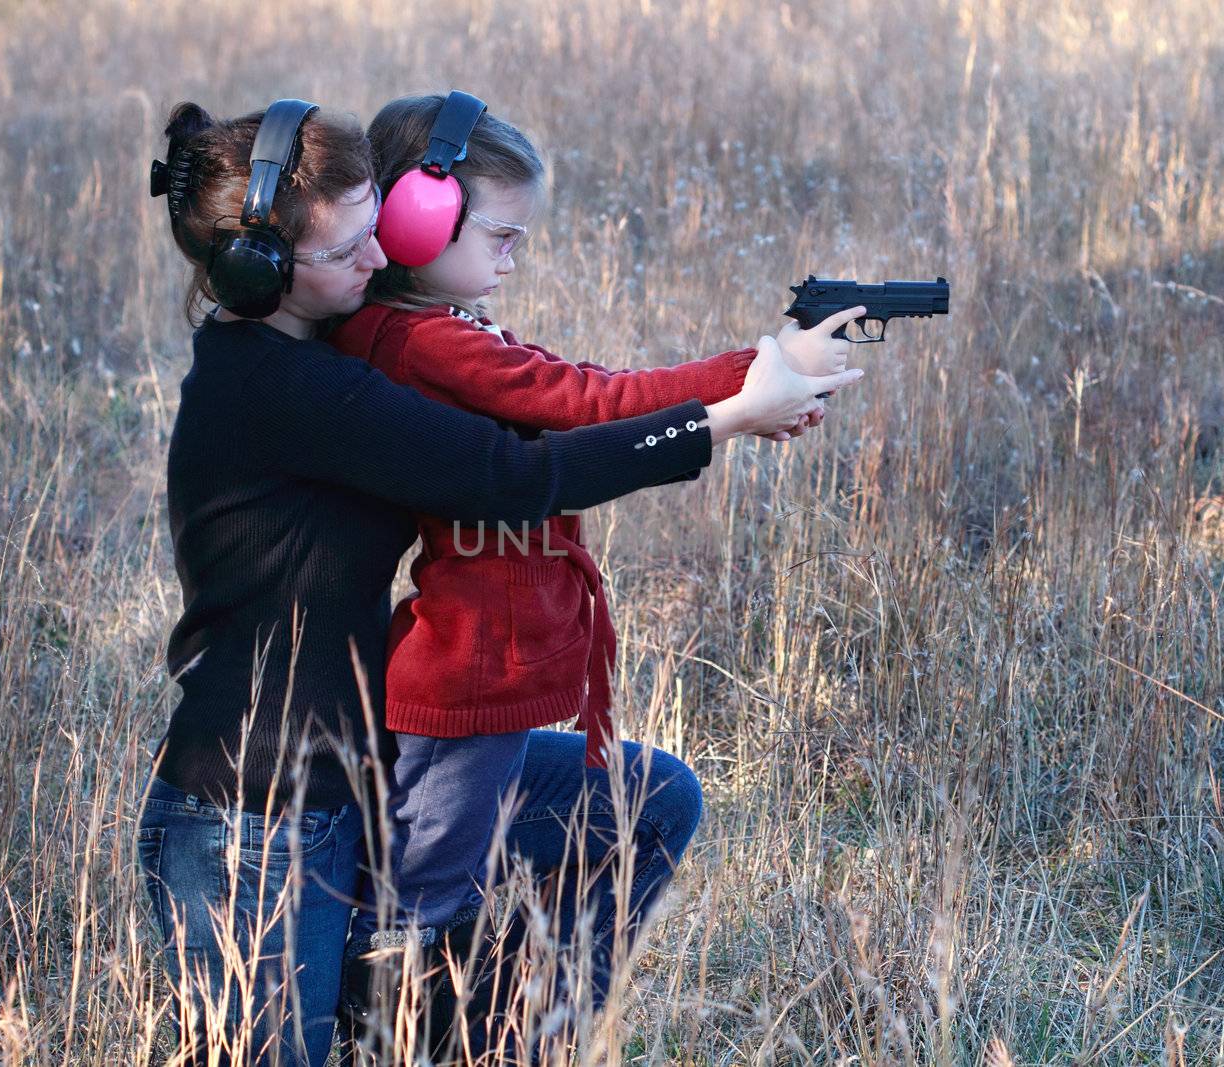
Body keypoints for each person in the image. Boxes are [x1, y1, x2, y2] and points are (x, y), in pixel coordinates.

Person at [135, 97, 863, 1067]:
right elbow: (516, 477)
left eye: (380, 232)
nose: (376, 260)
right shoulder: (285, 389)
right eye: (348, 248)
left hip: (354, 771)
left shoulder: (333, 349)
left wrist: (745, 378)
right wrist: (721, 419)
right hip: (253, 820)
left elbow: (535, 411)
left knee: (650, 804)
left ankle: (503, 1041)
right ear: (256, 267)